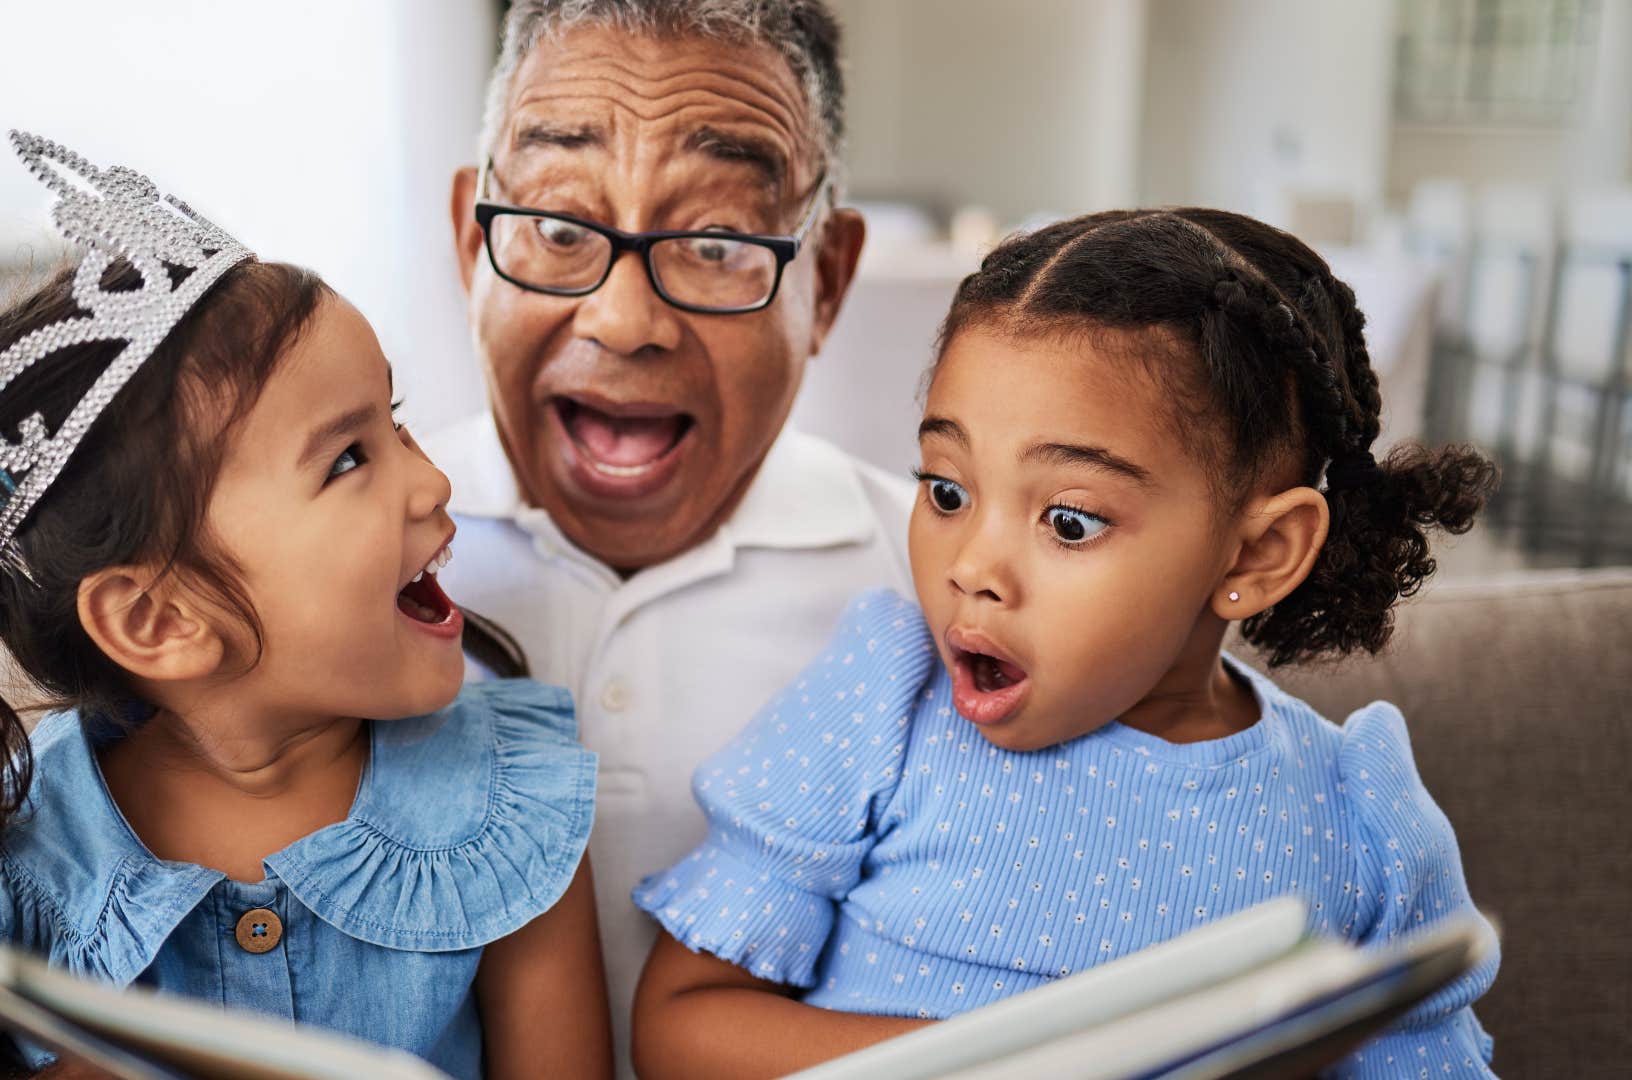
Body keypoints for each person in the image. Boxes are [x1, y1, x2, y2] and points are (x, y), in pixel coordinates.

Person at [0, 132, 610, 1080]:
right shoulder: (21, 860)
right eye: (348, 459)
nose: (433, 484)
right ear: (159, 620)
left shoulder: (509, 802)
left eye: (394, 424)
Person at [630, 208, 1502, 1079]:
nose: (972, 566)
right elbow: (682, 1029)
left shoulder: (1357, 821)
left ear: (1255, 554)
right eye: (945, 491)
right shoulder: (880, 709)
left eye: (1070, 521)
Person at [427, 2, 905, 1055]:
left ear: (823, 280)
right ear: (473, 240)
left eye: (718, 241)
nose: (625, 320)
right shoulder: (334, 559)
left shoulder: (949, 587)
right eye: (556, 228)